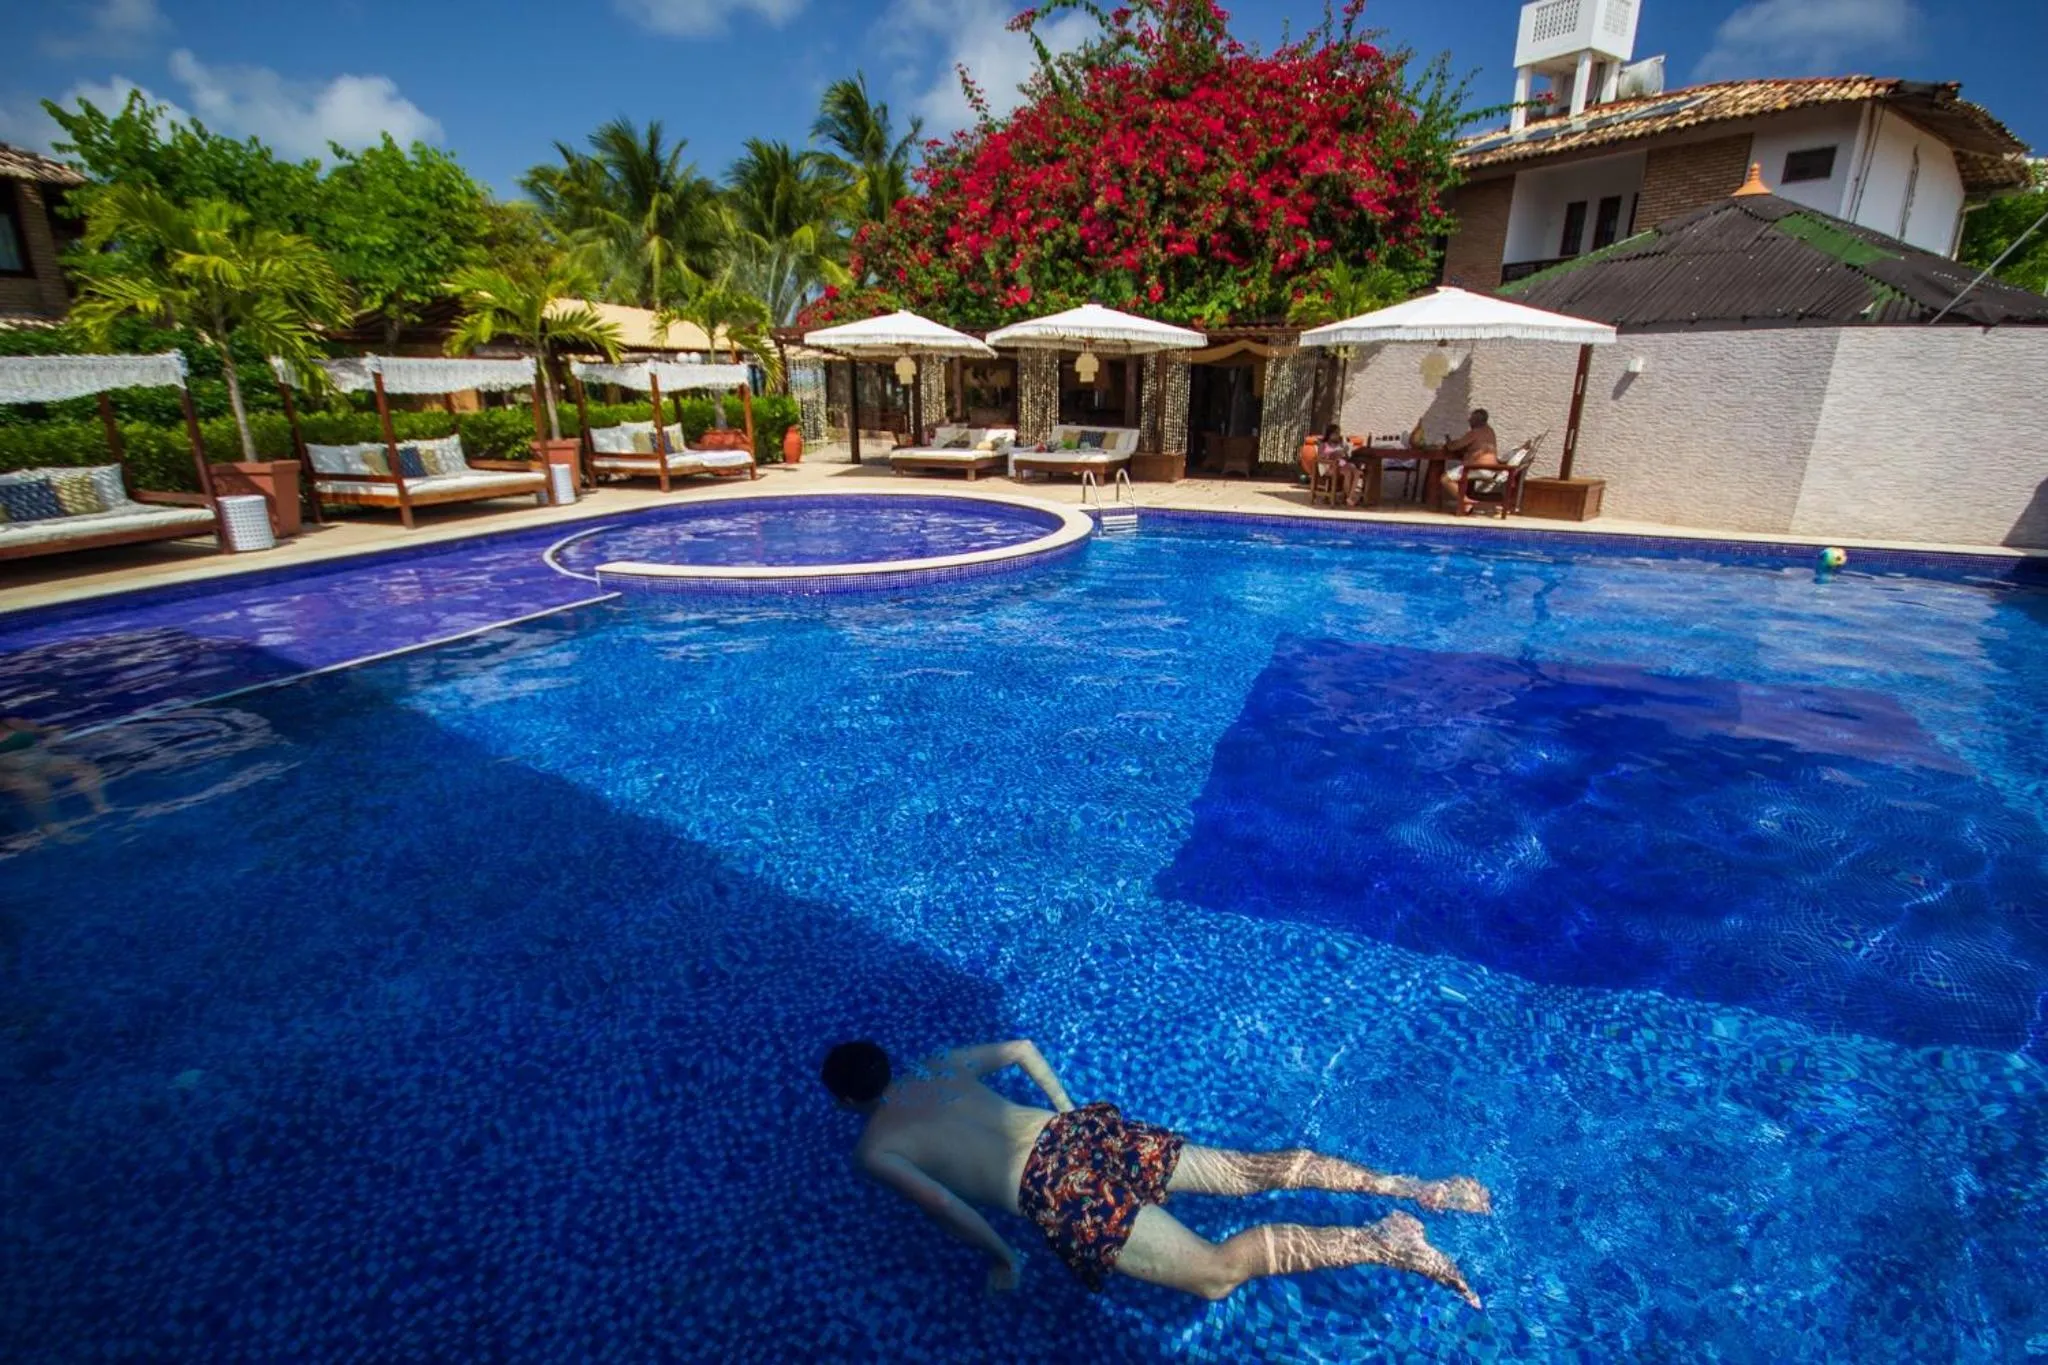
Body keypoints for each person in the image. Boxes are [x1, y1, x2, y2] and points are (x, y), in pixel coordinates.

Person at [822, 1039, 1489, 1306]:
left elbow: (943, 1203)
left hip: (1054, 1190)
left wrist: (1002, 1256)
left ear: (847, 1102)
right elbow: (1023, 1049)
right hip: (1075, 1132)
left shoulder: (875, 1148)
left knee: (1214, 1274)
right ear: (887, 1061)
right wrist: (1070, 1112)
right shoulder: (938, 1064)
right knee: (1240, 1171)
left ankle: (1381, 1239)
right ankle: (1413, 1186)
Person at [0, 717, 109, 836]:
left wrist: (53, 738)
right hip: (11, 771)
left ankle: (100, 806)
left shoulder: (13, 723)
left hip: (42, 760)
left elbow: (50, 730)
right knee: (35, 787)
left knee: (83, 768)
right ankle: (51, 826)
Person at [1435, 409, 1501, 516]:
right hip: (1492, 469)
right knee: (1462, 474)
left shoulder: (1474, 432)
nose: (1469, 421)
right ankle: (1466, 504)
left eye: (1471, 419)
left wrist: (1448, 441)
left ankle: (1465, 500)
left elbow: (1454, 447)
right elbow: (1475, 446)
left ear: (1476, 421)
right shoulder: (1490, 431)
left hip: (1478, 467)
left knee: (1445, 479)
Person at [1313, 424, 1364, 506]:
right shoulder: (1324, 445)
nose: (1338, 435)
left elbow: (1346, 458)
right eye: (1336, 433)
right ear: (1329, 434)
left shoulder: (1340, 444)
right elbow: (1319, 457)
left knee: (1356, 472)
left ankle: (1349, 497)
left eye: (1338, 433)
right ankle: (1351, 497)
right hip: (1329, 466)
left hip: (1341, 464)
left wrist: (1345, 452)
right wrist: (1331, 455)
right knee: (1348, 472)